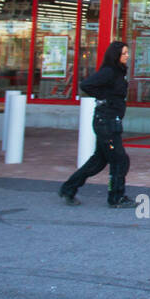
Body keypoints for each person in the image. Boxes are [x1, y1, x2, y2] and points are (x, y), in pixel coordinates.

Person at [59, 41, 135, 207]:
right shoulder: (109, 72)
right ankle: (116, 197)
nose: (127, 56)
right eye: (124, 53)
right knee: (120, 160)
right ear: (116, 55)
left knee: (98, 161)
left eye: (127, 53)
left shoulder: (119, 72)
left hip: (110, 121)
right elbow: (86, 85)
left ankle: (69, 188)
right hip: (106, 122)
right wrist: (105, 97)